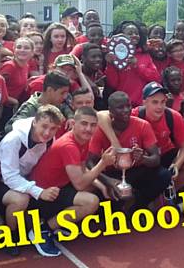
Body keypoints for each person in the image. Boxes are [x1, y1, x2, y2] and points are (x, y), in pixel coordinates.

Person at [29, 107, 115, 257]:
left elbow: (82, 170)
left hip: (59, 186)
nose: (88, 129)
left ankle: (58, 223)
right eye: (84, 124)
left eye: (93, 125)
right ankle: (43, 229)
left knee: (94, 189)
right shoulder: (68, 146)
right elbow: (80, 184)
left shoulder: (82, 140)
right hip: (43, 194)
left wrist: (102, 187)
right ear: (73, 123)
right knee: (91, 202)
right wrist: (102, 163)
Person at [0, 105, 65, 256]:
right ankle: (10, 237)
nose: (47, 133)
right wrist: (39, 191)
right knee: (21, 200)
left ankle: (39, 227)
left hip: (25, 178)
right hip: (0, 182)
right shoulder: (13, 140)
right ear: (34, 122)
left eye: (53, 129)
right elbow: (10, 177)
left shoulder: (50, 140)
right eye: (44, 126)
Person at [87, 91, 172, 215]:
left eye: (128, 106)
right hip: (113, 174)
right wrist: (107, 181)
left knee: (164, 175)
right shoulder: (101, 130)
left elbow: (156, 159)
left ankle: (136, 206)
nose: (126, 110)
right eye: (120, 107)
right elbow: (90, 162)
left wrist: (143, 158)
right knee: (107, 211)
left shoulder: (142, 125)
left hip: (136, 170)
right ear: (110, 110)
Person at [105, 21, 160, 106]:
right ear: (121, 36)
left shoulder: (145, 55)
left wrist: (137, 66)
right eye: (130, 33)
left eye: (136, 33)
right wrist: (110, 65)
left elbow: (155, 78)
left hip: (143, 105)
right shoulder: (116, 56)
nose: (134, 35)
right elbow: (113, 84)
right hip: (124, 105)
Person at [5, 71, 71, 133]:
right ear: (49, 90)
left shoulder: (56, 103)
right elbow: (9, 128)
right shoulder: (30, 108)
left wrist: (70, 117)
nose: (65, 97)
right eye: (62, 93)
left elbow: (64, 107)